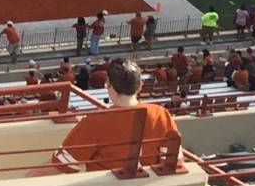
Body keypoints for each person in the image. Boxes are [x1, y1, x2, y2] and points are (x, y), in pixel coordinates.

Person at [51, 61, 180, 173]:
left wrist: (30, 177)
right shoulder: (161, 114)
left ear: (108, 85)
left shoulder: (96, 120)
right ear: (140, 86)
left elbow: (63, 164)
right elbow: (172, 162)